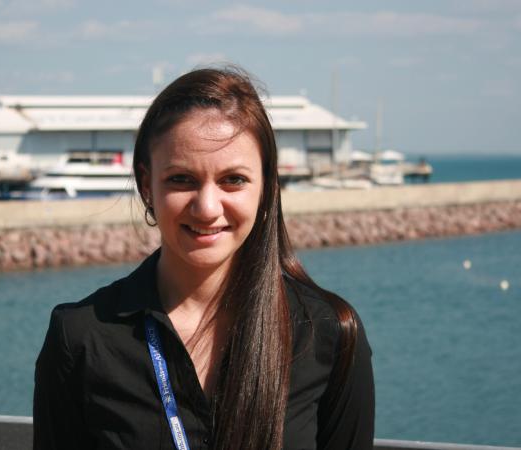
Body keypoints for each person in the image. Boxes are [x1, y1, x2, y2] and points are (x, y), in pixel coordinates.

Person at [34, 66, 374, 450]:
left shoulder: (328, 333)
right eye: (181, 179)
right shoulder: (80, 337)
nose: (207, 207)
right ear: (147, 186)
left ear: (266, 188)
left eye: (234, 180)